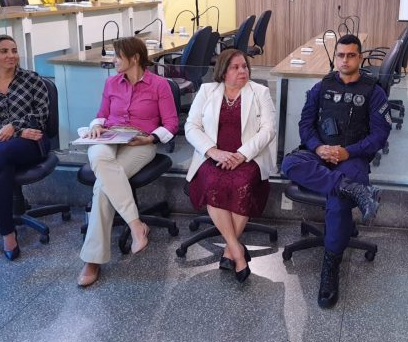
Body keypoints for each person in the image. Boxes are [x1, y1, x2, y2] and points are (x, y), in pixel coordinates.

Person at [281, 33, 391, 308]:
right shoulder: (322, 87)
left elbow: (379, 136)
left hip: (353, 157)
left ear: (360, 58)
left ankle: (330, 267)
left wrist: (348, 152)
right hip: (319, 153)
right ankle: (352, 188)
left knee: (338, 203)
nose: (345, 60)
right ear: (335, 58)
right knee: (289, 163)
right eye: (340, 55)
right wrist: (318, 147)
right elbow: (305, 125)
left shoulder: (374, 92)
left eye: (351, 55)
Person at [77, 37, 178, 287]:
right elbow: (101, 114)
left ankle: (92, 260)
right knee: (98, 156)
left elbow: (171, 124)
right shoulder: (111, 83)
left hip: (139, 142)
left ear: (134, 58)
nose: (113, 61)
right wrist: (96, 127)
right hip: (110, 137)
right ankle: (136, 225)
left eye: (117, 56)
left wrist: (150, 138)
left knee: (103, 187)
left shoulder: (159, 85)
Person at [185, 49, 276, 283]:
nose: (242, 71)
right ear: (223, 72)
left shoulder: (260, 92)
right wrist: (212, 151)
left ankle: (229, 250)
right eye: (235, 67)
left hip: (248, 156)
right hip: (213, 156)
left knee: (242, 183)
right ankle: (236, 249)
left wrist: (242, 154)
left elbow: (269, 130)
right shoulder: (207, 91)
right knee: (213, 182)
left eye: (244, 66)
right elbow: (191, 127)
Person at [0, 35, 49, 260]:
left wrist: (14, 127)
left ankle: (7, 235)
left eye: (14, 50)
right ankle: (8, 235)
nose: (11, 55)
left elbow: (41, 116)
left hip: (34, 141)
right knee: (1, 169)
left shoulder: (31, 79)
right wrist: (18, 130)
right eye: (4, 51)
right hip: (1, 141)